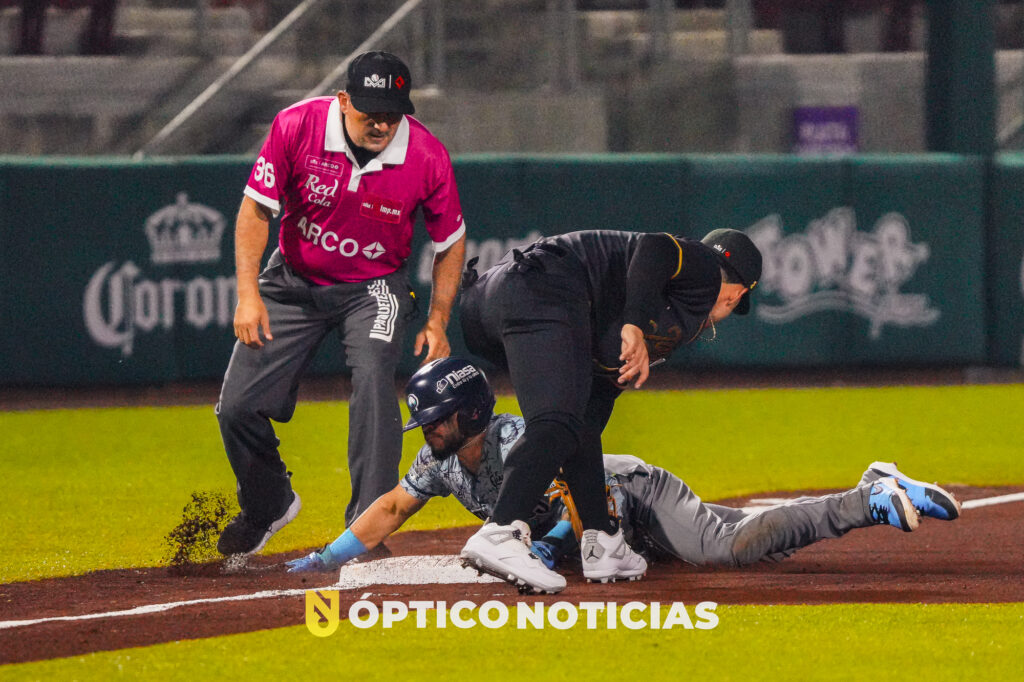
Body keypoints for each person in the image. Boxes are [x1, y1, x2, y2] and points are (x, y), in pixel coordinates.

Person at [285, 357, 962, 594]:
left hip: (631, 497)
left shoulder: (517, 440)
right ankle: (867, 487)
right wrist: (328, 556)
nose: (429, 431)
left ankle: (870, 501)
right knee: (757, 538)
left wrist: (554, 547)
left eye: (436, 419)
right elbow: (392, 508)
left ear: (470, 413)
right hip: (610, 523)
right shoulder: (437, 460)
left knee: (729, 548)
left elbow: (573, 501)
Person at [215, 51, 467, 556]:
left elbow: (451, 242)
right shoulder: (297, 126)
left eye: (392, 114)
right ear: (344, 100)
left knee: (373, 379)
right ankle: (268, 503)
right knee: (237, 407)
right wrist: (247, 294)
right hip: (292, 279)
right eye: (370, 111)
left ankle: (365, 533)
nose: (382, 124)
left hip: (374, 287)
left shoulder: (426, 155)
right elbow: (256, 209)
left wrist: (438, 320)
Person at [453, 228, 762, 591]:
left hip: (495, 302)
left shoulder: (629, 305)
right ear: (738, 293)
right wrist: (635, 325)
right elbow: (656, 247)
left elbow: (588, 420)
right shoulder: (704, 270)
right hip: (540, 287)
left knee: (575, 425)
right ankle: (501, 529)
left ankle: (602, 542)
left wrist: (599, 525)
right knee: (557, 421)